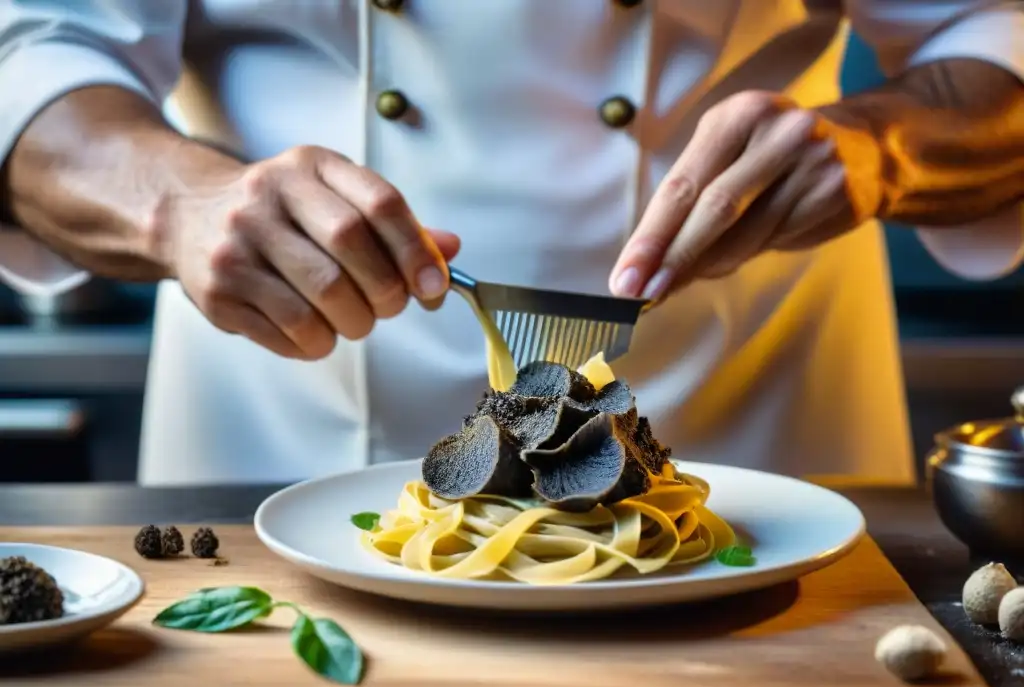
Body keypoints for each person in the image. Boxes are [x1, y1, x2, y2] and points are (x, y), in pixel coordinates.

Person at [0, 1, 1021, 487]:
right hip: (276, 437)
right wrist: (179, 202)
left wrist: (884, 144)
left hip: (753, 433)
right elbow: (34, 50)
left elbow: (990, 29)